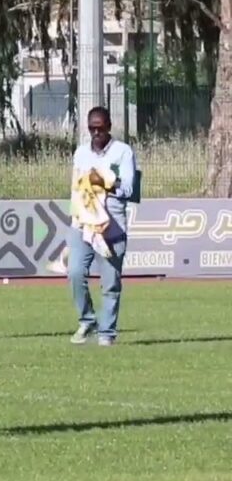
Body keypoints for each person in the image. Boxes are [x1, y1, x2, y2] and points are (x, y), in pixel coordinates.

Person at [68, 107, 137, 346]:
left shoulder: (123, 152)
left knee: (110, 283)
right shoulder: (80, 154)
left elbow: (129, 189)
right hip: (83, 225)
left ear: (109, 126)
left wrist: (107, 182)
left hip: (112, 226)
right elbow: (75, 189)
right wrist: (75, 217)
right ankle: (87, 319)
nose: (96, 132)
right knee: (75, 272)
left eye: (100, 127)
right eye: (91, 128)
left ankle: (106, 334)